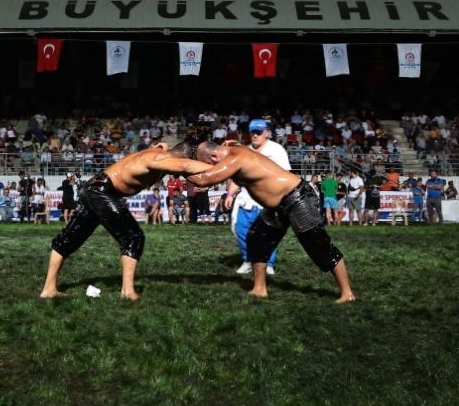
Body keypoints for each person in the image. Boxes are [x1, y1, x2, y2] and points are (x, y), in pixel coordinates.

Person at [39, 142, 213, 301]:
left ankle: (48, 289)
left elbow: (188, 171)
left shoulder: (160, 156)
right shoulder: (159, 157)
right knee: (133, 237)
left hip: (95, 189)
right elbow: (185, 165)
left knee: (68, 239)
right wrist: (223, 167)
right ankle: (127, 292)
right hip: (102, 191)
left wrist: (207, 179)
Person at [188, 140, 356, 303]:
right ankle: (259, 289)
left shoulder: (235, 157)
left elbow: (203, 179)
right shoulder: (233, 151)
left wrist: (167, 164)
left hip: (297, 197)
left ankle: (347, 293)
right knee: (256, 238)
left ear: (214, 157)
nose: (211, 167)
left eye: (208, 163)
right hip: (279, 204)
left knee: (319, 245)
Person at [231, 119, 291, 275]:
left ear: (267, 133)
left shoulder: (277, 150)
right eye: (253, 132)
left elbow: (286, 174)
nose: (255, 135)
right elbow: (237, 176)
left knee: (267, 234)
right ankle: (248, 260)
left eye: (259, 132)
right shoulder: (245, 151)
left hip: (268, 200)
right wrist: (230, 193)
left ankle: (267, 263)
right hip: (247, 199)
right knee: (241, 230)